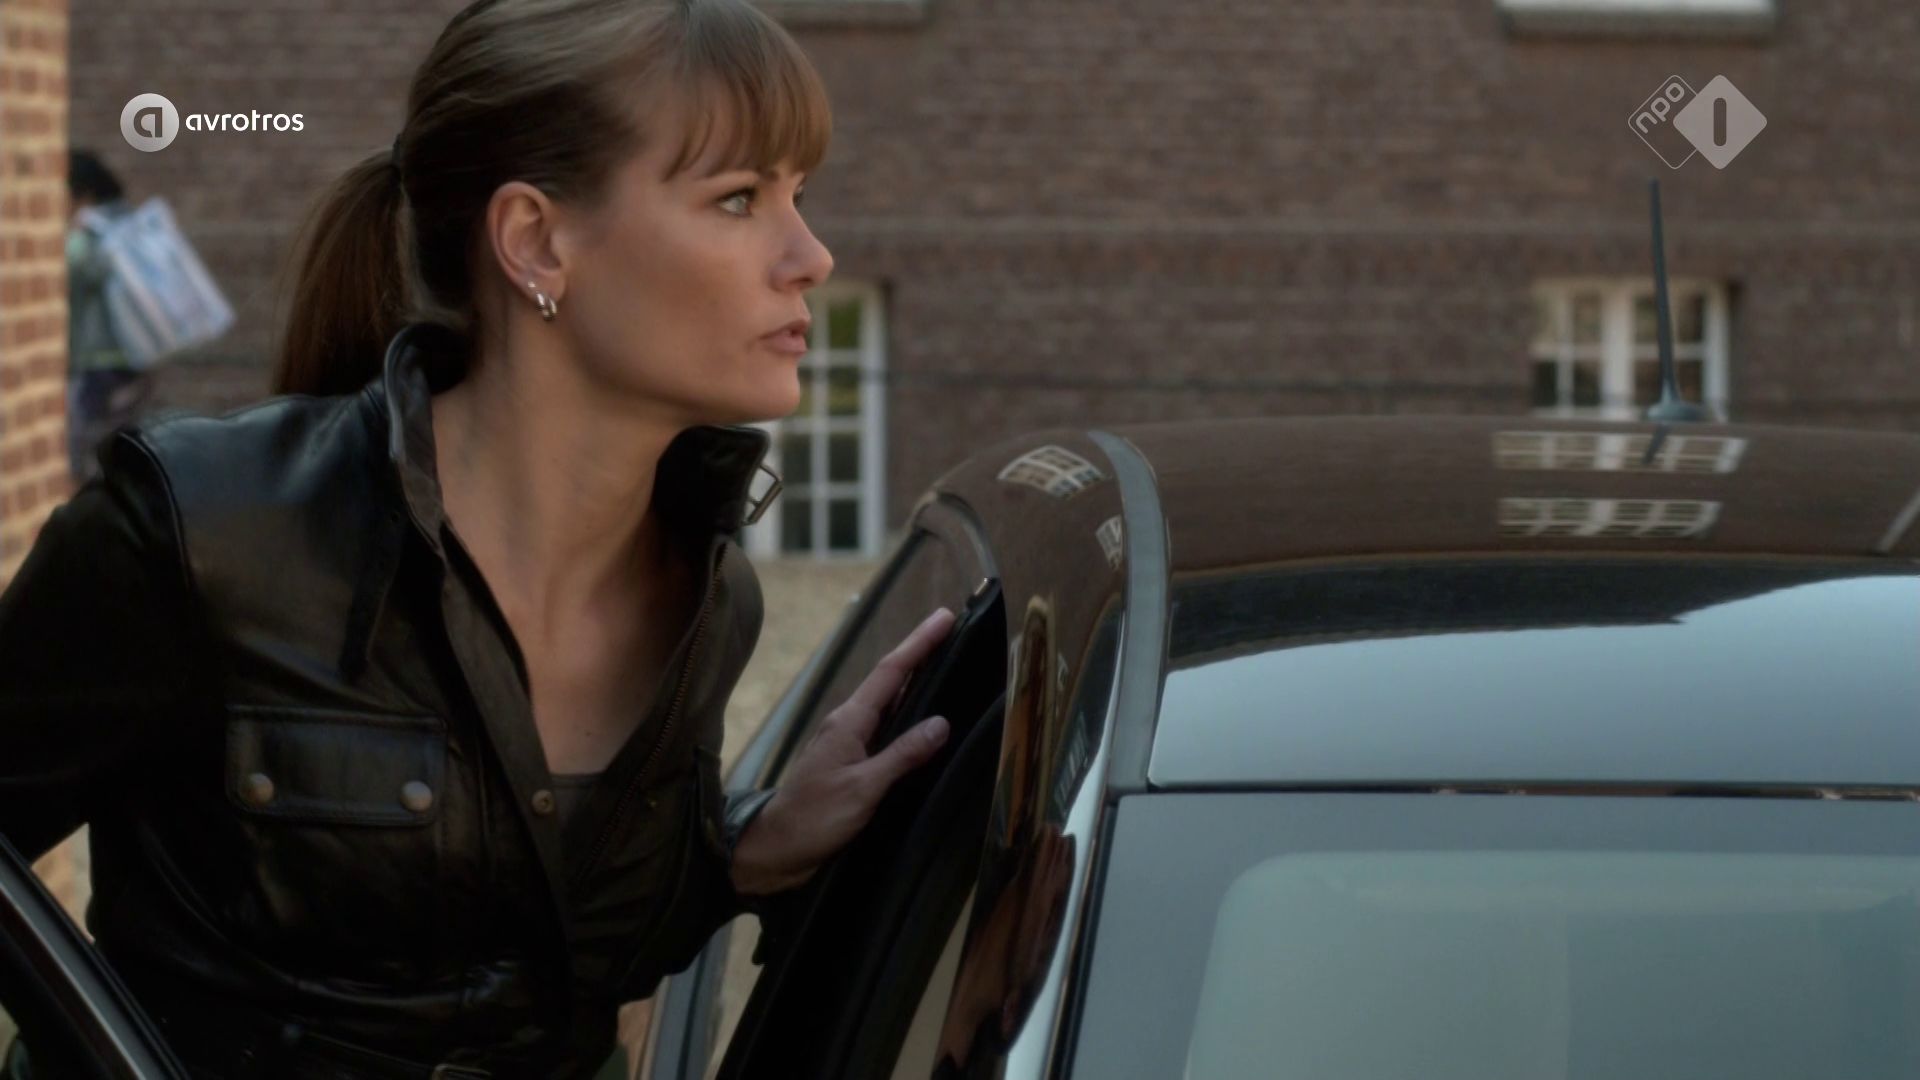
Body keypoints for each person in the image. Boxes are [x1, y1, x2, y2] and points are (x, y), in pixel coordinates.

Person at [0, 1, 957, 1076]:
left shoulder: (707, 598)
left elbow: (522, 931)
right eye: (739, 197)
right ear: (535, 241)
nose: (811, 256)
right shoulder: (205, 535)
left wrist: (739, 853)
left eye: (798, 197)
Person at [64, 148, 155, 485]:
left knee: (86, 455)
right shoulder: (127, 224)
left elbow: (68, 267)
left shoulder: (89, 234)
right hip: (136, 357)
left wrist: (71, 233)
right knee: (117, 450)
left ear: (82, 194)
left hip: (100, 363)